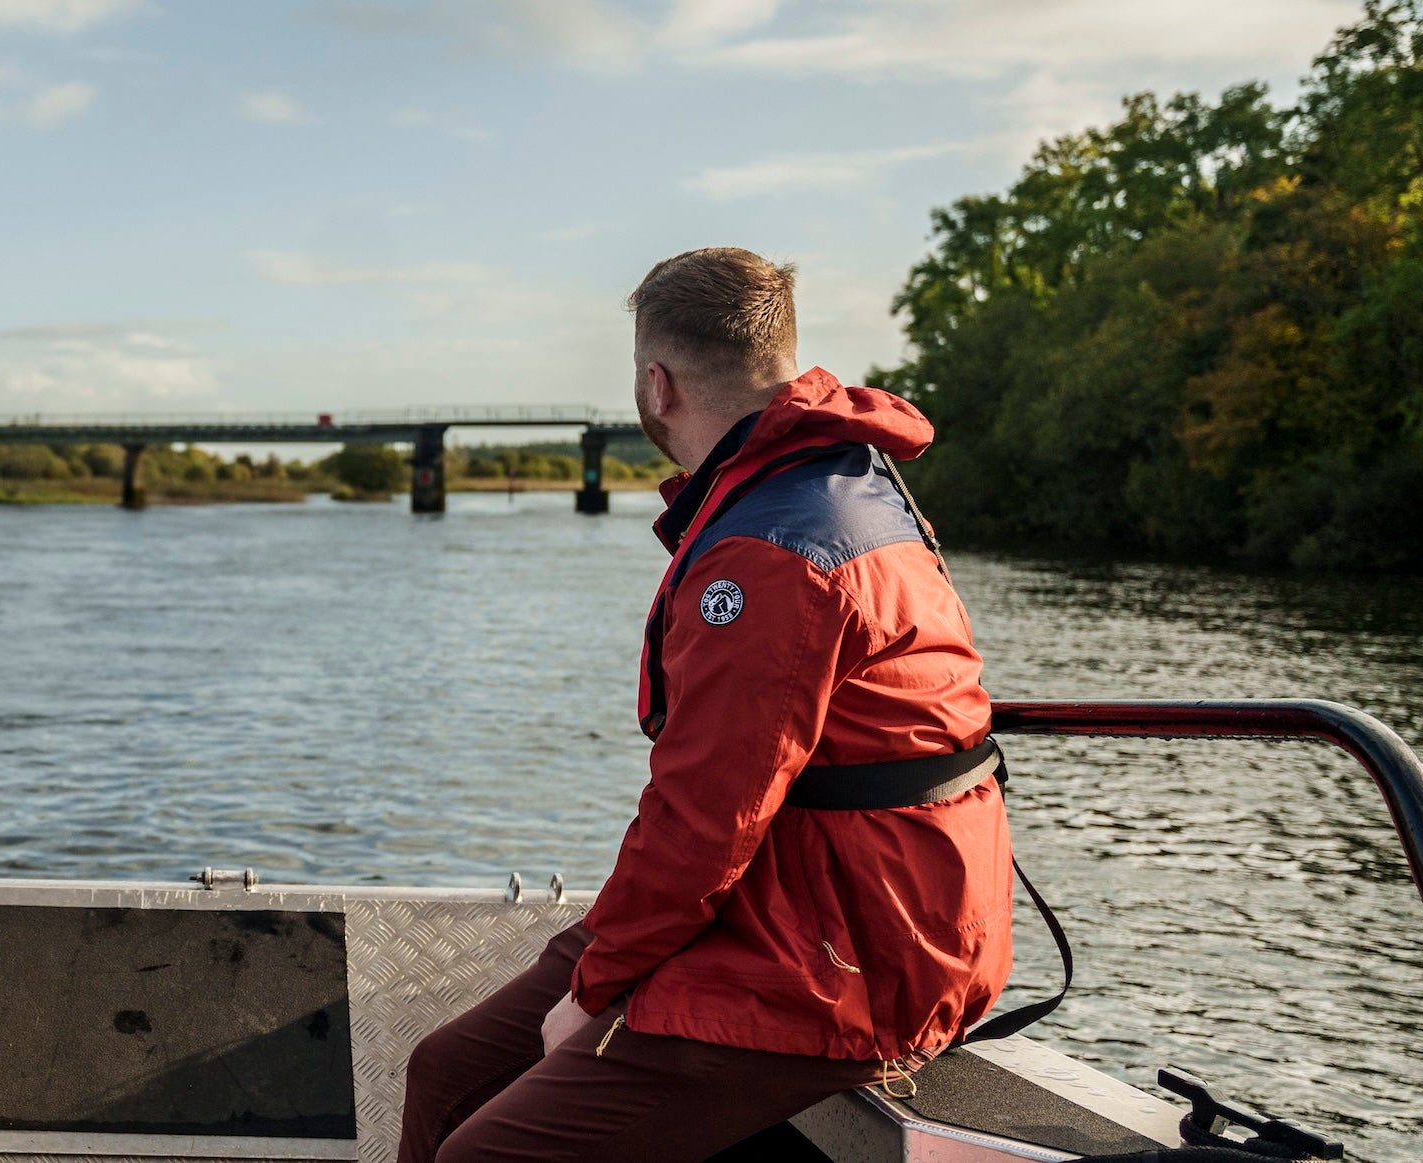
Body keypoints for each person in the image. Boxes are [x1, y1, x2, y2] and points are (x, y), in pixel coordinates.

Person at [398, 248, 1012, 1162]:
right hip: (801, 891)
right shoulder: (828, 484)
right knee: (444, 1071)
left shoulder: (772, 549)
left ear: (656, 383)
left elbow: (706, 816)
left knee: (485, 1154)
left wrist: (597, 985)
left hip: (854, 948)